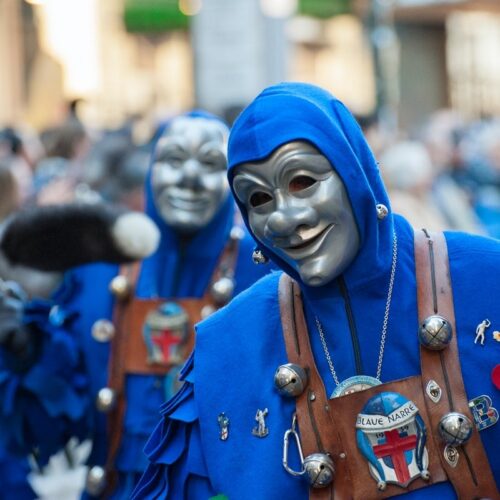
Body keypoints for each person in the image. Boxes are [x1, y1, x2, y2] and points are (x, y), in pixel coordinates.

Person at [133, 83, 499, 499]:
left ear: (353, 172)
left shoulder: (486, 278)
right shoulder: (232, 341)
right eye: (258, 198)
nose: (285, 218)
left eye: (303, 181)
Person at [0, 111, 271, 499]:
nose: (189, 177)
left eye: (210, 163)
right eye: (174, 160)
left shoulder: (265, 272)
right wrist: (25, 350)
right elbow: (54, 420)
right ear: (151, 171)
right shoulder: (99, 274)